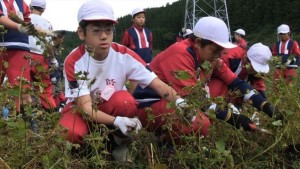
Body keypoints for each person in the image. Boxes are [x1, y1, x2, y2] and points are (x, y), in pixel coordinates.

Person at [59, 0, 186, 161]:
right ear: (81, 33)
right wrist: (116, 120)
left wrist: (181, 103)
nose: (104, 36)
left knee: (124, 102)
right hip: (81, 108)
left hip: (109, 104)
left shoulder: (124, 55)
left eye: (108, 29)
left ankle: (118, 144)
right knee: (70, 132)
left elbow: (158, 84)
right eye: (96, 30)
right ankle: (84, 154)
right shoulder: (74, 61)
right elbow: (85, 108)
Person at [135, 17, 282, 138]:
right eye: (215, 50)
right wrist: (231, 118)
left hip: (177, 102)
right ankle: (168, 144)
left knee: (224, 86)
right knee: (199, 123)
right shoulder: (180, 54)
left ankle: (184, 131)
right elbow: (194, 101)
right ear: (198, 43)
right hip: (150, 104)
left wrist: (266, 106)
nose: (219, 56)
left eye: (221, 51)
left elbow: (236, 82)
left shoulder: (210, 59)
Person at [0, 0, 51, 114]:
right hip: (4, 44)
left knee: (22, 89)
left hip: (20, 47)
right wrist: (18, 26)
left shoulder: (22, 4)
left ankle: (24, 121)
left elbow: (27, 23)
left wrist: (44, 32)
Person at [28, 0, 57, 111]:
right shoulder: (46, 24)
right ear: (43, 9)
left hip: (23, 55)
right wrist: (53, 59)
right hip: (40, 57)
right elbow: (49, 45)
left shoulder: (24, 19)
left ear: (30, 7)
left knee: (23, 88)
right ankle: (51, 115)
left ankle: (22, 117)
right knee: (45, 88)